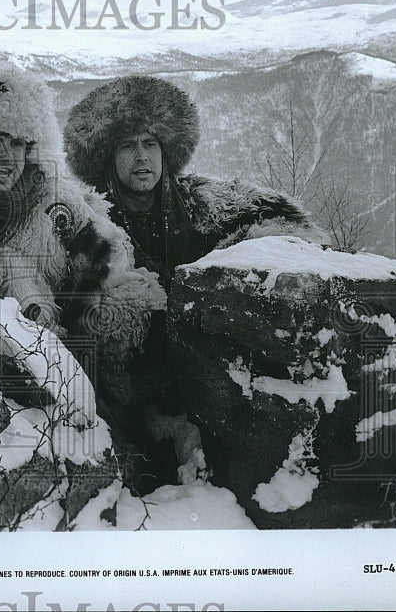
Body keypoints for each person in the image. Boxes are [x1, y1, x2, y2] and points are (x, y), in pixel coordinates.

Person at [64, 75, 327, 487]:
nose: (141, 157)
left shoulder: (203, 202)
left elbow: (284, 226)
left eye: (150, 144)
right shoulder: (89, 221)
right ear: (106, 156)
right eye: (127, 145)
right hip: (133, 385)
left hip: (210, 372)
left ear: (167, 151)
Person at [0, 64, 166, 415]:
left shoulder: (51, 199)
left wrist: (75, 315)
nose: (8, 156)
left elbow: (109, 251)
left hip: (66, 371)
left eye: (19, 143)